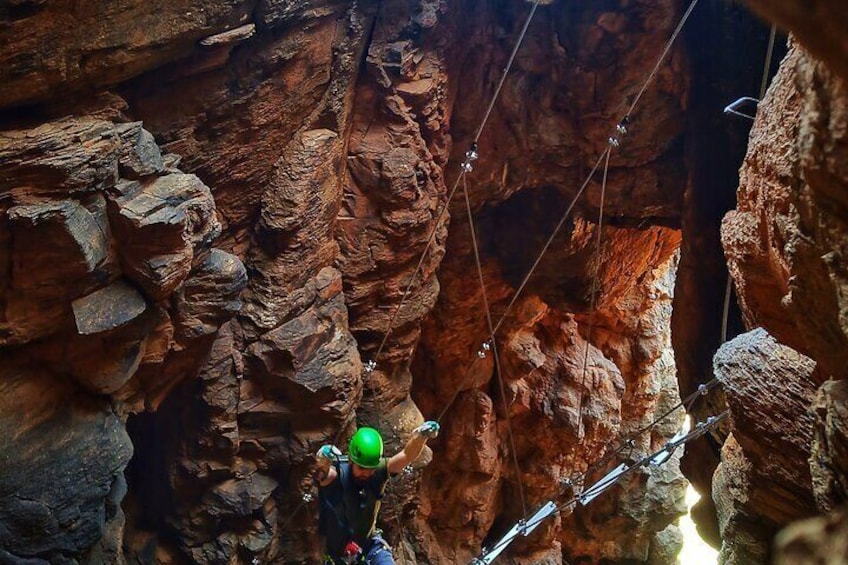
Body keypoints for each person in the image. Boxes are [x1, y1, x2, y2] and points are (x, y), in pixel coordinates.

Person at [314, 421, 441, 564]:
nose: (366, 473)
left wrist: (420, 438)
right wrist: (323, 460)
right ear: (350, 460)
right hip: (338, 555)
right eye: (361, 468)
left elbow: (406, 456)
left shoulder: (378, 472)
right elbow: (322, 476)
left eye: (371, 468)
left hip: (369, 545)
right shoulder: (338, 474)